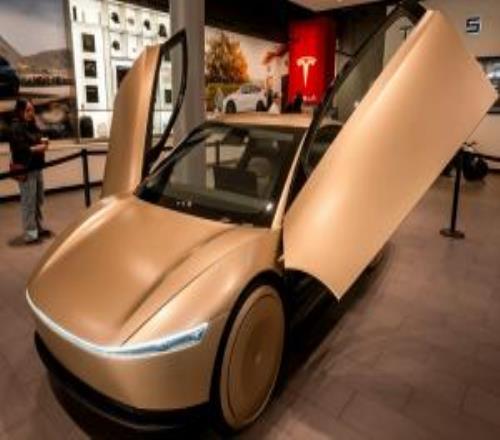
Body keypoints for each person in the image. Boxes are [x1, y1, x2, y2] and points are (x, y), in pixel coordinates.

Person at [9, 98, 51, 244]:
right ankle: (30, 233)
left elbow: (38, 138)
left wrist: (42, 144)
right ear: (20, 111)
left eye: (32, 110)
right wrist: (37, 148)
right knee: (28, 201)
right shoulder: (16, 127)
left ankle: (37, 227)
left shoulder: (32, 125)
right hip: (26, 169)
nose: (31, 113)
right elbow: (20, 149)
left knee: (38, 199)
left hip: (36, 167)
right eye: (27, 110)